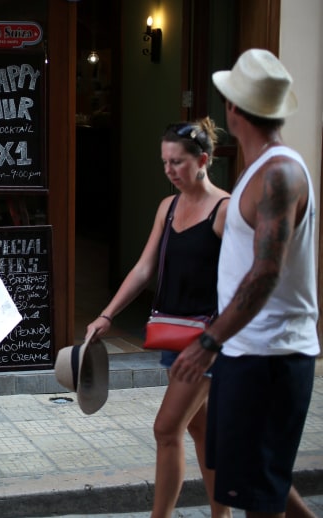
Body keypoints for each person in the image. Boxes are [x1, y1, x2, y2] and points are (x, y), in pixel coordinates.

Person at [172, 49, 320, 518]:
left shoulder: (279, 173)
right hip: (249, 353)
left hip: (269, 358)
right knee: (258, 483)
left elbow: (266, 271)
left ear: (234, 111)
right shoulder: (262, 169)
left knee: (258, 497)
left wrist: (208, 341)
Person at [85, 117, 231, 518]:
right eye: (165, 162)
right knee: (199, 430)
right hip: (173, 332)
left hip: (205, 340)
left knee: (166, 429)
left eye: (178, 162)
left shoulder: (225, 210)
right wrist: (107, 315)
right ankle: (223, 515)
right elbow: (145, 268)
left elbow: (244, 283)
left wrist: (219, 338)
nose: (169, 171)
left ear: (202, 160)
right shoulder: (167, 207)